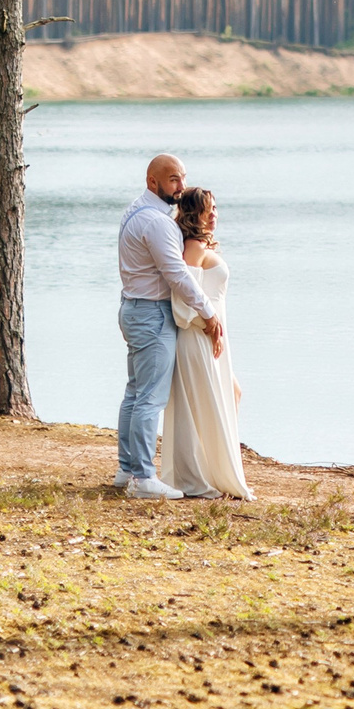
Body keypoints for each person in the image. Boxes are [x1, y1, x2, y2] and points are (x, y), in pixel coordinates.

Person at [115, 153, 220, 499]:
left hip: (134, 309)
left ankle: (127, 470)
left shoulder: (136, 211)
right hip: (151, 314)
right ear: (153, 181)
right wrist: (208, 312)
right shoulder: (157, 223)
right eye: (173, 179)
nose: (181, 186)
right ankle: (143, 479)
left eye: (182, 178)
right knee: (150, 398)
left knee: (135, 392)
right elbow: (177, 274)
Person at [159, 188, 252, 499]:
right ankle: (203, 475)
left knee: (230, 393)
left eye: (215, 208)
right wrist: (208, 326)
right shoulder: (194, 247)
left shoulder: (201, 244)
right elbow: (184, 299)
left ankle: (217, 467)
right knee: (203, 403)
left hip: (210, 336)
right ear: (192, 214)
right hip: (198, 336)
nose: (213, 215)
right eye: (206, 210)